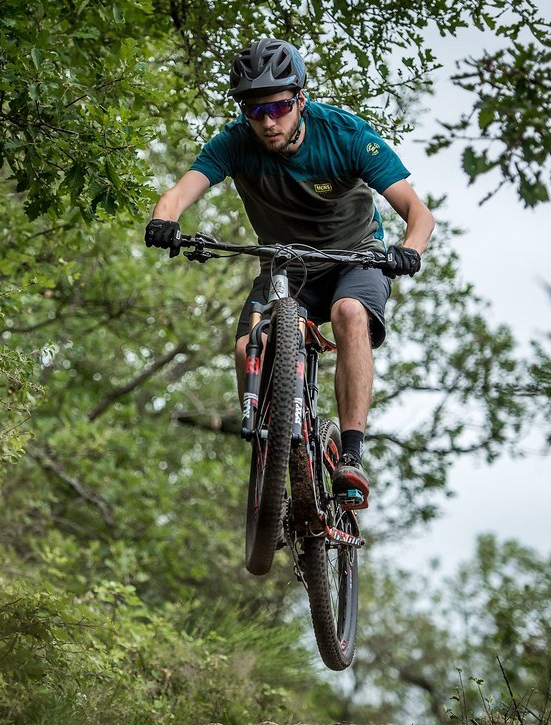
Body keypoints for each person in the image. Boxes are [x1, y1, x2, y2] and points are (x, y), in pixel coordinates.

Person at [144, 38, 434, 509]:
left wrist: (409, 251)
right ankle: (272, 456)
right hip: (285, 264)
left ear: (300, 98)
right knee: (247, 347)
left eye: (278, 106)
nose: (267, 121)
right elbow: (179, 192)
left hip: (354, 258)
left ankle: (352, 458)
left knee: (349, 313)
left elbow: (418, 213)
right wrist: (165, 222)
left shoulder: (343, 134)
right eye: (253, 110)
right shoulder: (235, 143)